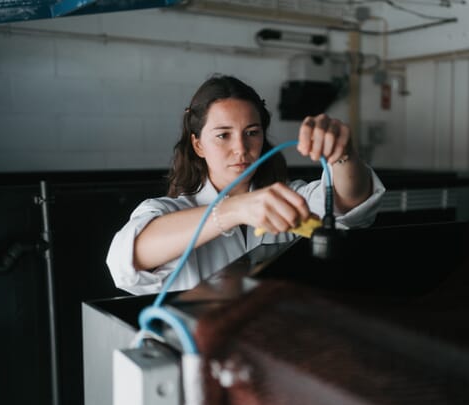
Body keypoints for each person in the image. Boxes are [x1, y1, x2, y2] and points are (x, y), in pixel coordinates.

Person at [106, 74, 386, 295]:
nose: (241, 148)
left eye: (251, 132)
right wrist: (232, 210)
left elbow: (349, 204)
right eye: (223, 135)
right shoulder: (166, 211)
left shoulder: (288, 197)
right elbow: (127, 260)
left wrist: (345, 154)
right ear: (198, 144)